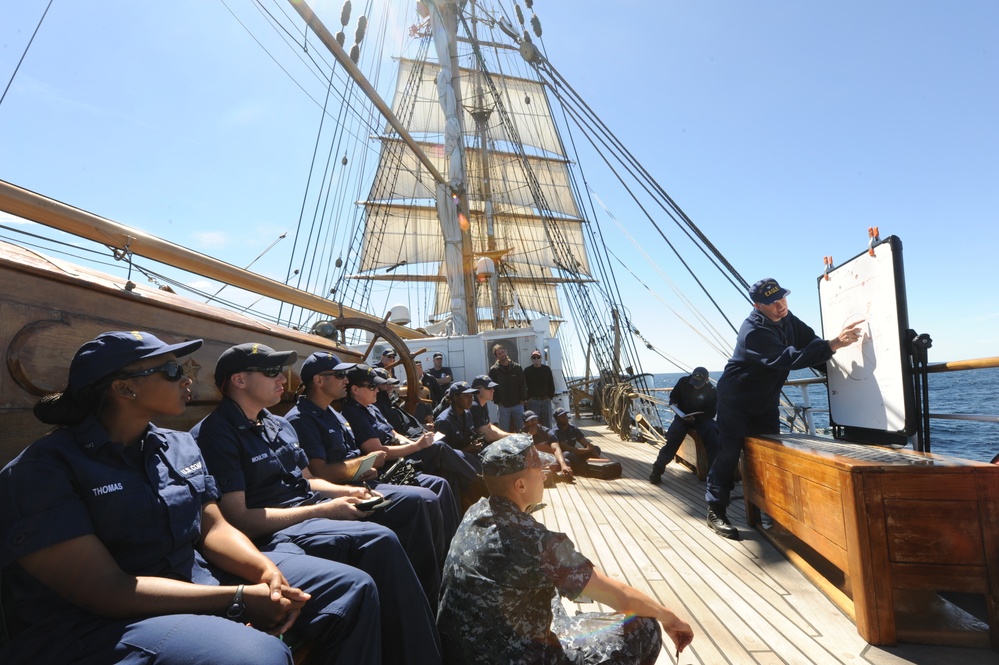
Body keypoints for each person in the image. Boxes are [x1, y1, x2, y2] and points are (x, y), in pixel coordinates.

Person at [0, 331, 381, 665]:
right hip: (95, 626)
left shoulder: (178, 445)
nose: (187, 379)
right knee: (257, 656)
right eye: (171, 371)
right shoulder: (41, 471)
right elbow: (107, 591)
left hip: (196, 575)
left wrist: (263, 571)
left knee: (351, 588)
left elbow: (212, 526)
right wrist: (235, 598)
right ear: (123, 387)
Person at [191, 343, 442, 664]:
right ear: (239, 380)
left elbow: (308, 480)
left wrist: (344, 494)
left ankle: (417, 633)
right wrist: (324, 509)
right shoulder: (216, 434)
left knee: (404, 510)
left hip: (308, 512)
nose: (283, 378)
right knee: (380, 540)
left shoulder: (276, 424)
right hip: (272, 534)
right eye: (271, 372)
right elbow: (237, 519)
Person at [437, 434, 694, 665]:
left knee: (552, 598)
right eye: (538, 469)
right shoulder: (537, 542)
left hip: (464, 652)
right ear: (520, 486)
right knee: (644, 625)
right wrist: (670, 618)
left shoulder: (475, 512)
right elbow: (622, 597)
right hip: (518, 657)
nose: (546, 473)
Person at [284, 351, 453, 598]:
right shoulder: (301, 419)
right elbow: (320, 472)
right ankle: (429, 593)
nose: (345, 380)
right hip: (343, 491)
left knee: (435, 490)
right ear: (319, 381)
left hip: (366, 478)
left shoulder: (334, 414)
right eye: (340, 375)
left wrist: (365, 466)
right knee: (422, 500)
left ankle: (441, 574)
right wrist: (363, 464)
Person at [705, 278, 863, 540]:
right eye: (772, 302)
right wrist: (834, 344)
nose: (780, 306)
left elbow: (810, 343)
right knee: (728, 453)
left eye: (782, 298)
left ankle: (771, 509)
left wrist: (835, 377)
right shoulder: (752, 331)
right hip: (737, 399)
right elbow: (789, 358)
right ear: (757, 305)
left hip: (766, 399)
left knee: (771, 453)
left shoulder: (788, 319)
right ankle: (715, 510)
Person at [341, 365, 482, 510]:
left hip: (403, 453)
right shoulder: (354, 414)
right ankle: (482, 485)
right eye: (372, 386)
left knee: (450, 476)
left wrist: (419, 443)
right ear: (355, 390)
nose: (377, 389)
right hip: (391, 464)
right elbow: (379, 452)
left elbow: (394, 433)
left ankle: (459, 520)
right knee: (440, 448)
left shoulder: (372, 408)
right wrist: (416, 446)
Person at [649, 366, 718, 485]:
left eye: (699, 384)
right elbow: (673, 397)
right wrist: (675, 405)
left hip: (701, 419)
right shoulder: (683, 382)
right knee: (673, 438)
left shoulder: (712, 391)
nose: (695, 385)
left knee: (713, 435)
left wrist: (697, 417)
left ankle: (714, 475)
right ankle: (657, 469)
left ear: (706, 380)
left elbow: (711, 412)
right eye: (694, 382)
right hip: (682, 417)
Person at [434, 381, 485, 469]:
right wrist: (467, 450)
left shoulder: (468, 414)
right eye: (466, 396)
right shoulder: (444, 421)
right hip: (454, 466)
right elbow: (441, 455)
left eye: (471, 396)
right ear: (455, 398)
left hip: (470, 457)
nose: (471, 400)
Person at [522, 409, 574, 481]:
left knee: (566, 461)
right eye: (531, 421)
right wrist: (529, 436)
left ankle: (551, 474)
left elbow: (556, 448)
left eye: (535, 419)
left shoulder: (546, 431)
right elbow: (522, 451)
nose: (534, 422)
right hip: (531, 461)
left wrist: (563, 465)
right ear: (525, 423)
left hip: (548, 460)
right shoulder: (522, 434)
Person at [488, 343, 528, 431]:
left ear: (506, 352)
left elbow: (523, 384)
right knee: (504, 431)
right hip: (503, 406)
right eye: (499, 354)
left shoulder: (517, 367)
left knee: (522, 430)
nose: (502, 354)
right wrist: (498, 402)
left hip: (518, 404)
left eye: (503, 352)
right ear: (496, 356)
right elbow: (492, 388)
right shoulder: (494, 370)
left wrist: (522, 400)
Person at [552, 407, 603, 472]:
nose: (565, 418)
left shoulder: (573, 428)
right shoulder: (555, 432)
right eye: (561, 417)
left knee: (596, 449)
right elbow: (569, 448)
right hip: (564, 456)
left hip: (575, 454)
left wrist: (600, 460)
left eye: (565, 415)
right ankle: (581, 465)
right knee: (567, 454)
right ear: (556, 419)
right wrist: (587, 450)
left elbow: (586, 444)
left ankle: (580, 464)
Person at [470, 374, 512, 443]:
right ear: (477, 390)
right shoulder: (474, 406)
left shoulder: (483, 403)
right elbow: (487, 436)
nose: (493, 390)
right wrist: (510, 436)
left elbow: (489, 426)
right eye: (489, 388)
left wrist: (507, 435)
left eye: (493, 388)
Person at [524, 349, 556, 427]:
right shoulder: (527, 371)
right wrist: (527, 399)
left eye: (538, 357)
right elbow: (524, 386)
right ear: (531, 359)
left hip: (546, 401)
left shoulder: (546, 369)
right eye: (534, 357)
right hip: (533, 401)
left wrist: (549, 398)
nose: (536, 359)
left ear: (541, 358)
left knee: (547, 424)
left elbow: (551, 384)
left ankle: (548, 439)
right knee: (534, 424)